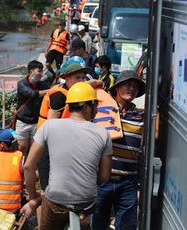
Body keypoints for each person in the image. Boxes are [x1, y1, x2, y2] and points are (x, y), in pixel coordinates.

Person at [22, 82, 112, 229]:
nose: (97, 109)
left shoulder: (49, 126)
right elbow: (104, 177)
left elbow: (28, 166)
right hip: (86, 202)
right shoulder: (103, 134)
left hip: (56, 199)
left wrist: (33, 198)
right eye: (95, 105)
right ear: (85, 107)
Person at [92, 70, 146, 230]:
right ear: (116, 88)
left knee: (127, 226)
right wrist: (98, 84)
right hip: (102, 181)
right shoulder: (99, 110)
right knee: (98, 224)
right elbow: (78, 89)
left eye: (135, 86)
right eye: (127, 84)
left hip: (129, 182)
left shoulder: (141, 116)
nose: (131, 89)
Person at [16, 60, 49, 155]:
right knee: (22, 147)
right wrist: (50, 90)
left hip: (36, 121)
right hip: (23, 120)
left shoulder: (43, 85)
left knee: (34, 150)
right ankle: (20, 167)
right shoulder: (21, 84)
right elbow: (32, 94)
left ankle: (32, 168)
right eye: (39, 71)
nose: (41, 74)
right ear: (31, 72)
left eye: (42, 71)